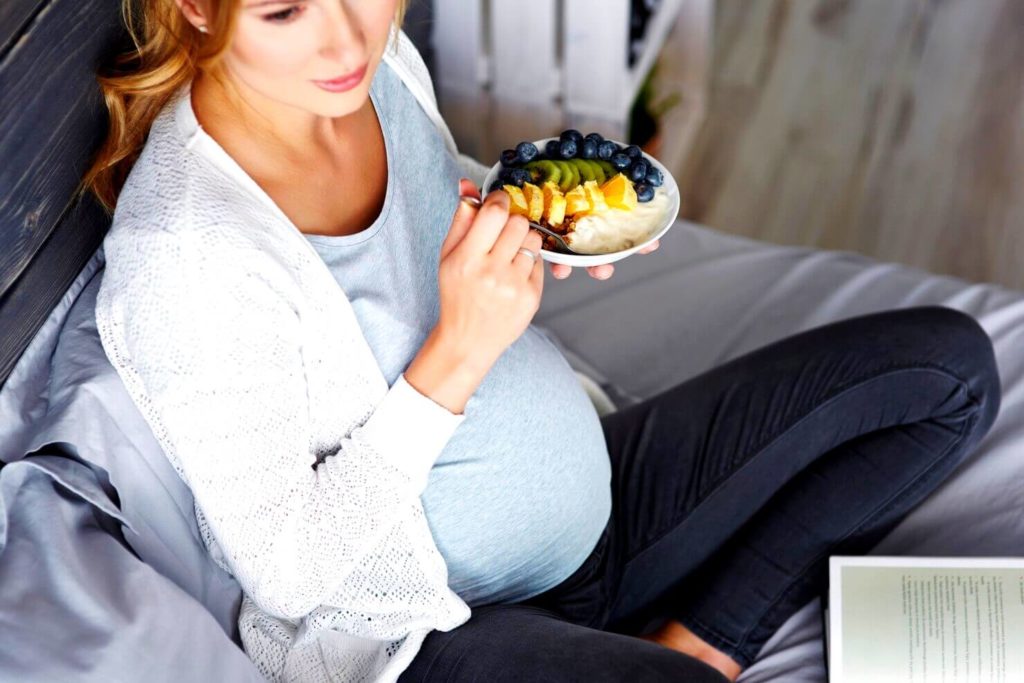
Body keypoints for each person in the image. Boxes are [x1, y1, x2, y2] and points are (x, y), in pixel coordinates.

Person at [80, 1, 1002, 682]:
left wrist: (533, 222)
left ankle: (701, 642)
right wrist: (458, 355)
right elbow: (287, 569)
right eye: (284, 10)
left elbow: (440, 203)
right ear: (196, 7)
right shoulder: (190, 252)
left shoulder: (378, 67)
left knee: (946, 372)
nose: (347, 37)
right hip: (434, 630)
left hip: (593, 522)